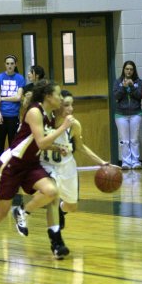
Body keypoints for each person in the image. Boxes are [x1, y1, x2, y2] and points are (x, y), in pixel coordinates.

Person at [0, 80, 75, 261]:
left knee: (51, 191)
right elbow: (41, 142)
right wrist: (63, 127)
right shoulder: (35, 111)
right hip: (12, 165)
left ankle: (22, 211)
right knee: (2, 211)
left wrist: (56, 148)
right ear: (48, 96)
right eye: (58, 94)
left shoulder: (49, 114)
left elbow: (38, 143)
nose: (60, 98)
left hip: (30, 165)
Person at [40, 90, 109, 229]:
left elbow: (81, 147)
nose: (71, 109)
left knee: (71, 206)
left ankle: (60, 209)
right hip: (47, 166)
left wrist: (101, 162)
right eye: (66, 105)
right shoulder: (44, 121)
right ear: (57, 105)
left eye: (72, 105)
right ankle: (55, 239)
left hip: (66, 166)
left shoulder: (74, 125)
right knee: (51, 194)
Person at [0, 55, 25, 166]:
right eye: (7, 63)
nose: (9, 66)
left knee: (13, 143)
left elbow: (18, 97)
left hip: (13, 115)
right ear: (5, 64)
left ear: (15, 64)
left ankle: (13, 167)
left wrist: (2, 98)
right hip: (0, 114)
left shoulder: (20, 78)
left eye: (12, 64)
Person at [113, 60, 142, 170]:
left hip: (136, 114)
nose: (129, 71)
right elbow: (116, 96)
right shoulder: (118, 82)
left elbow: (140, 96)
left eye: (131, 69)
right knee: (124, 140)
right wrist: (124, 87)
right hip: (121, 115)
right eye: (127, 69)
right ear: (123, 70)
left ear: (133, 70)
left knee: (134, 140)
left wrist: (132, 87)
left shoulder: (138, 81)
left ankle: (135, 162)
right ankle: (126, 162)